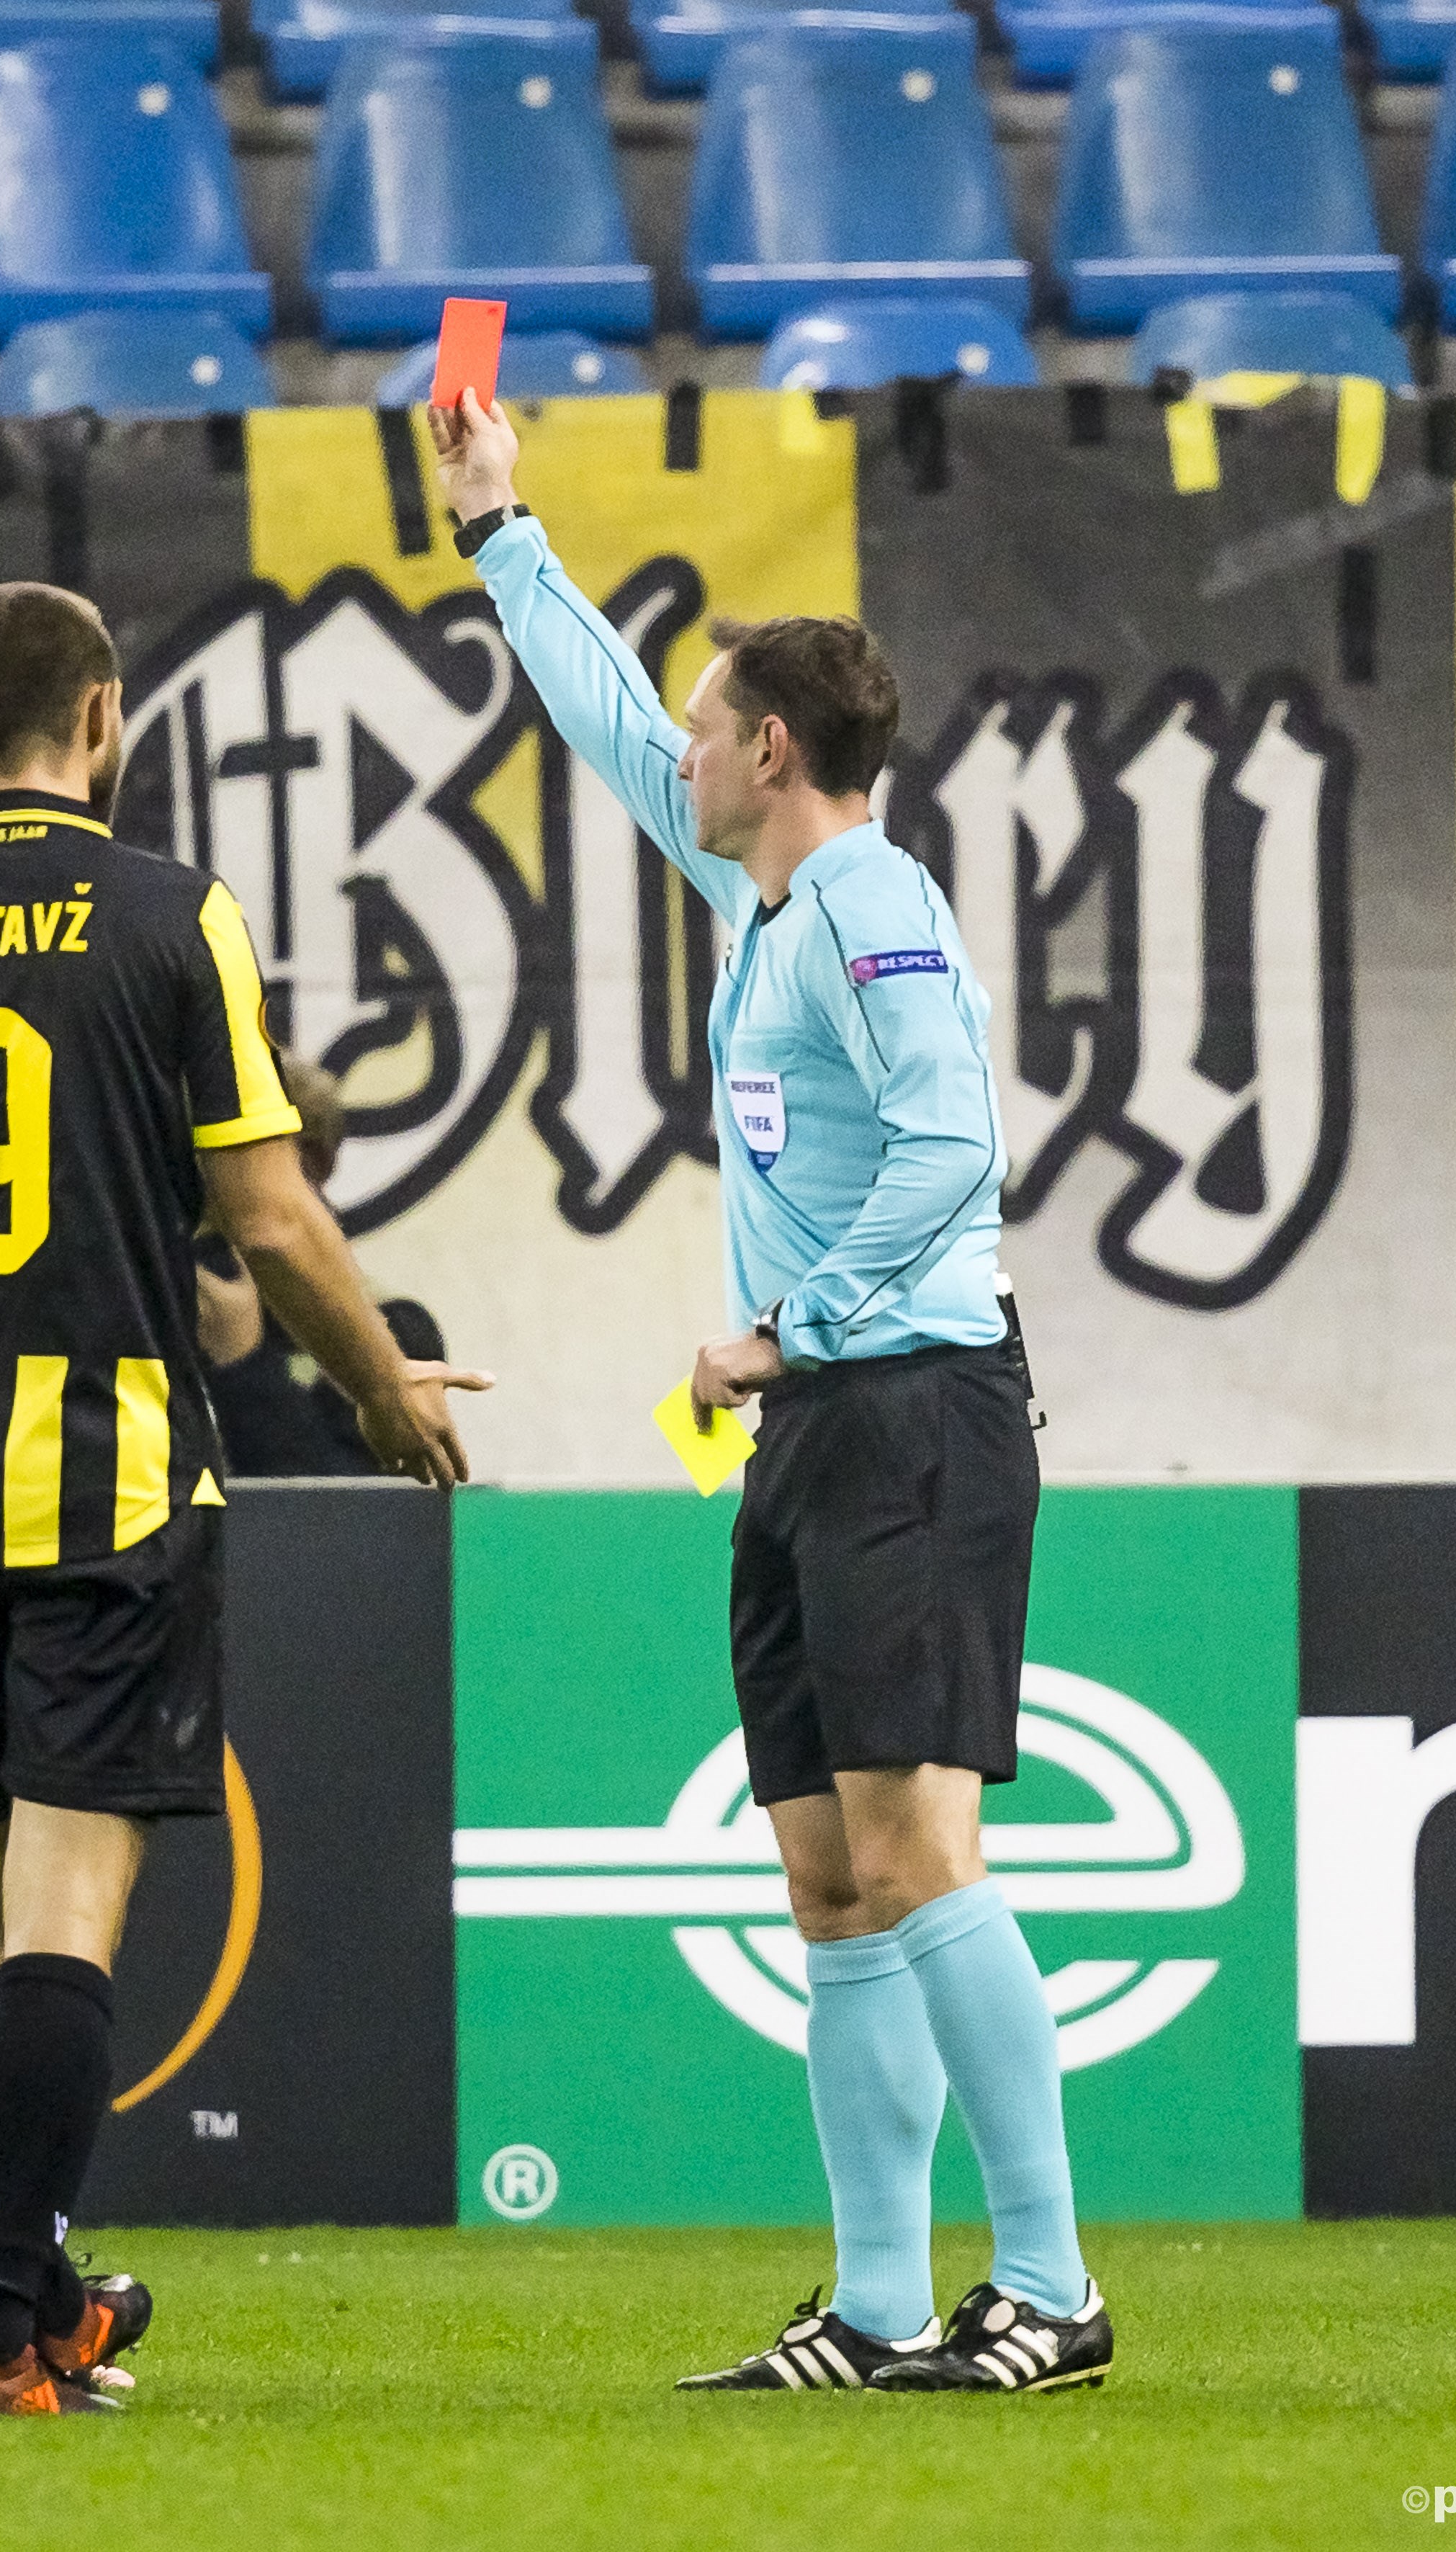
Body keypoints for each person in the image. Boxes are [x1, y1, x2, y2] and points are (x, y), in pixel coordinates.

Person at [0, 581, 492, 2415]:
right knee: (64, 1910)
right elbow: (272, 1217)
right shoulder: (170, 917)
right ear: (104, 716)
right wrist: (380, 1391)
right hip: (112, 1476)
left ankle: (26, 2289)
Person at [428, 392, 1112, 2399]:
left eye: (709, 721)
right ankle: (882, 2299)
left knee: (917, 1850)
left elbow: (947, 1151)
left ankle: (1053, 2286)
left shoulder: (875, 909)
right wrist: (497, 532)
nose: (681, 746)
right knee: (827, 1877)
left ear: (776, 752)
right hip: (822, 1431)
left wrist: (779, 1322)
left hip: (902, 1406)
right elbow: (605, 726)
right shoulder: (765, 894)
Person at [195, 1054, 452, 1477]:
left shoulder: (389, 1331)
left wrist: (244, 1366)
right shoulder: (157, 1299)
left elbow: (355, 1516)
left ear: (312, 1164)